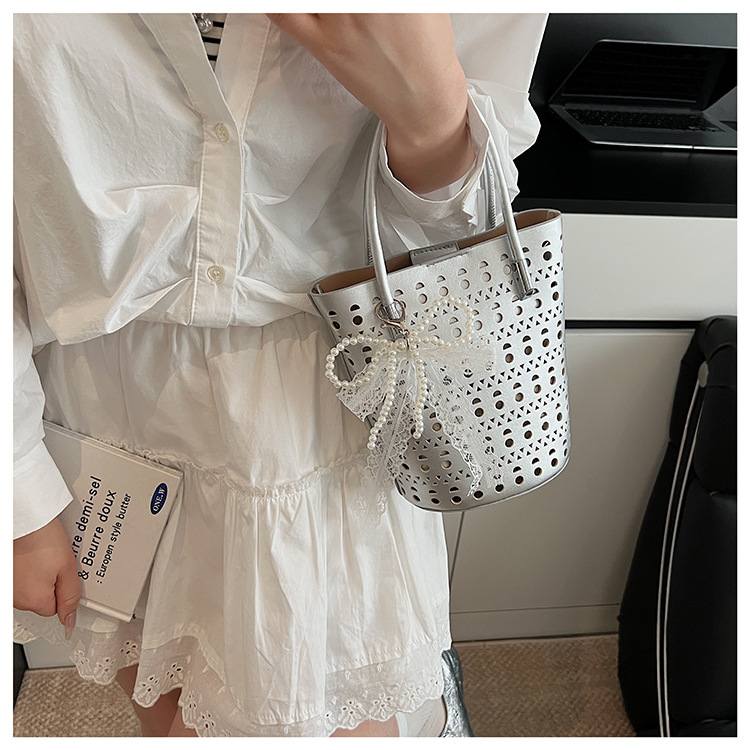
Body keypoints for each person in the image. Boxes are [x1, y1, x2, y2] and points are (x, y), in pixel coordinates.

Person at [13, 13, 548, 737]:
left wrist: (430, 119)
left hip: (325, 407)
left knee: (346, 719)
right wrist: (18, 487)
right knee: (170, 717)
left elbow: (466, 231)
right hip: (98, 410)